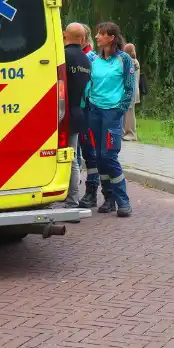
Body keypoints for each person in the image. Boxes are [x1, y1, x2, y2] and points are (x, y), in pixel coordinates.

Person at [82, 22, 137, 217]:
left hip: (112, 113)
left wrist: (119, 110)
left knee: (109, 155)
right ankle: (108, 198)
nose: (96, 37)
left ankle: (123, 201)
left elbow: (130, 88)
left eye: (100, 34)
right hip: (94, 112)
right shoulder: (93, 59)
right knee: (98, 155)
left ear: (111, 37)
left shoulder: (124, 60)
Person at [60, 22, 93, 210]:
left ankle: (57, 197)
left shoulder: (63, 56)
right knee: (73, 158)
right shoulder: (87, 60)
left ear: (65, 35)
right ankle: (73, 200)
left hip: (59, 114)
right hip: (77, 112)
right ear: (82, 39)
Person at [122, 43, 140, 141]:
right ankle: (125, 131)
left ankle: (131, 133)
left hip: (131, 90)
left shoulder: (133, 62)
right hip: (131, 90)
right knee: (127, 111)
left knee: (129, 112)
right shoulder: (132, 61)